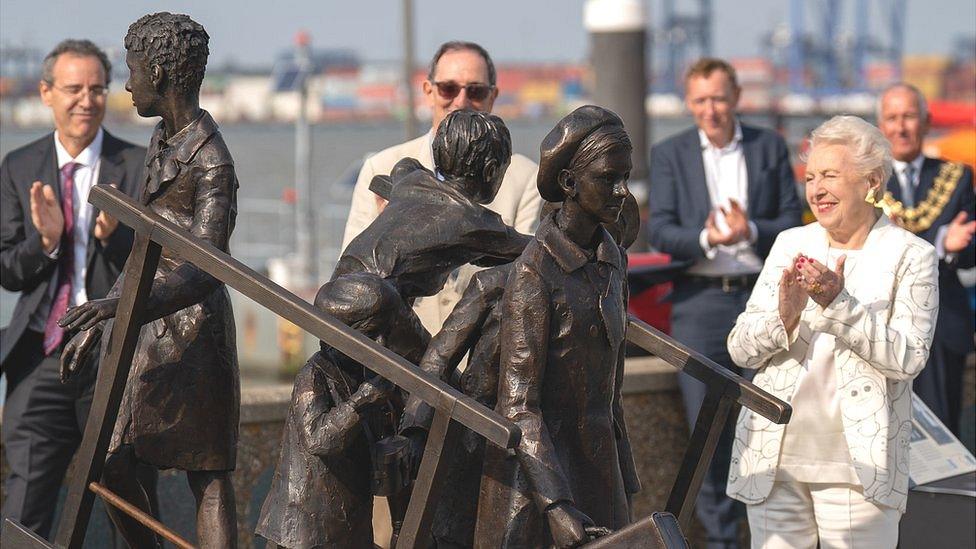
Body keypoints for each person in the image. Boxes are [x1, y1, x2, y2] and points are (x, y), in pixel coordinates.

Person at [58, 13, 240, 548]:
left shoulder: (212, 161)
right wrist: (105, 313)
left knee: (208, 476)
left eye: (132, 70)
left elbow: (207, 265)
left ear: (159, 72)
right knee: (112, 462)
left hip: (195, 334)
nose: (127, 83)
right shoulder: (162, 140)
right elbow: (145, 246)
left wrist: (120, 309)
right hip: (145, 325)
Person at [727, 115, 938, 548]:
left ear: (872, 182)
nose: (816, 189)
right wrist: (783, 319)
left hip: (859, 469)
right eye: (810, 177)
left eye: (830, 176)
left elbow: (909, 359)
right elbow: (739, 349)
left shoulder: (912, 255)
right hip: (773, 462)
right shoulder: (790, 243)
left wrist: (839, 305)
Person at [398, 194, 640, 548]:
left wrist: (627, 478)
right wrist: (415, 430)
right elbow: (438, 359)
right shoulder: (500, 283)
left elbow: (611, 397)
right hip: (493, 435)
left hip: (568, 445)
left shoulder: (607, 288)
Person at [646, 57, 802, 548]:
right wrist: (709, 238)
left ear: (735, 98)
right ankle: (720, 542)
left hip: (762, 301)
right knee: (706, 435)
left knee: (769, 427)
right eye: (700, 101)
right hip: (699, 304)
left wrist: (749, 230)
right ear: (689, 104)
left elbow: (793, 222)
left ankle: (770, 535)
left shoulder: (769, 147)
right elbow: (661, 230)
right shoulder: (669, 153)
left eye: (717, 98)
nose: (710, 110)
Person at [0, 39, 147, 538]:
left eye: (97, 89)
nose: (86, 100)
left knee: (130, 499)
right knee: (24, 503)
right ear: (46, 93)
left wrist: (116, 234)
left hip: (113, 353)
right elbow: (8, 272)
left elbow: (166, 268)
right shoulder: (19, 168)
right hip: (40, 354)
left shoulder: (139, 166)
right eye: (73, 88)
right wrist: (44, 242)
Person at [475, 106, 640, 549]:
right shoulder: (535, 273)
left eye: (626, 176)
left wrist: (626, 480)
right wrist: (556, 505)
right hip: (540, 478)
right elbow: (518, 405)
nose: (622, 191)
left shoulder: (613, 261)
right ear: (569, 183)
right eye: (609, 178)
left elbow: (612, 388)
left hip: (600, 469)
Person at [342, 40, 542, 335]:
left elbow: (527, 278)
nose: (461, 101)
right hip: (392, 351)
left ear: (493, 96)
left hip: (480, 357)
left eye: (475, 91)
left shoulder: (525, 178)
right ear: (428, 91)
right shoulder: (380, 166)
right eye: (449, 88)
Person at [255, 275, 402, 548]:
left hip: (346, 519)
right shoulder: (313, 375)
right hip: (306, 524)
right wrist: (363, 401)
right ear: (340, 335)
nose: (381, 343)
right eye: (371, 333)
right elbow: (317, 438)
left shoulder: (363, 373)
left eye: (386, 332)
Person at [877, 82, 975, 435]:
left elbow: (970, 257)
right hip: (881, 324)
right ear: (881, 126)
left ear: (926, 121)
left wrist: (957, 245)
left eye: (908, 116)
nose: (900, 127)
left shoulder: (956, 176)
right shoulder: (868, 182)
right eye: (892, 118)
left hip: (942, 325)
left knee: (943, 434)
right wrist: (939, 241)